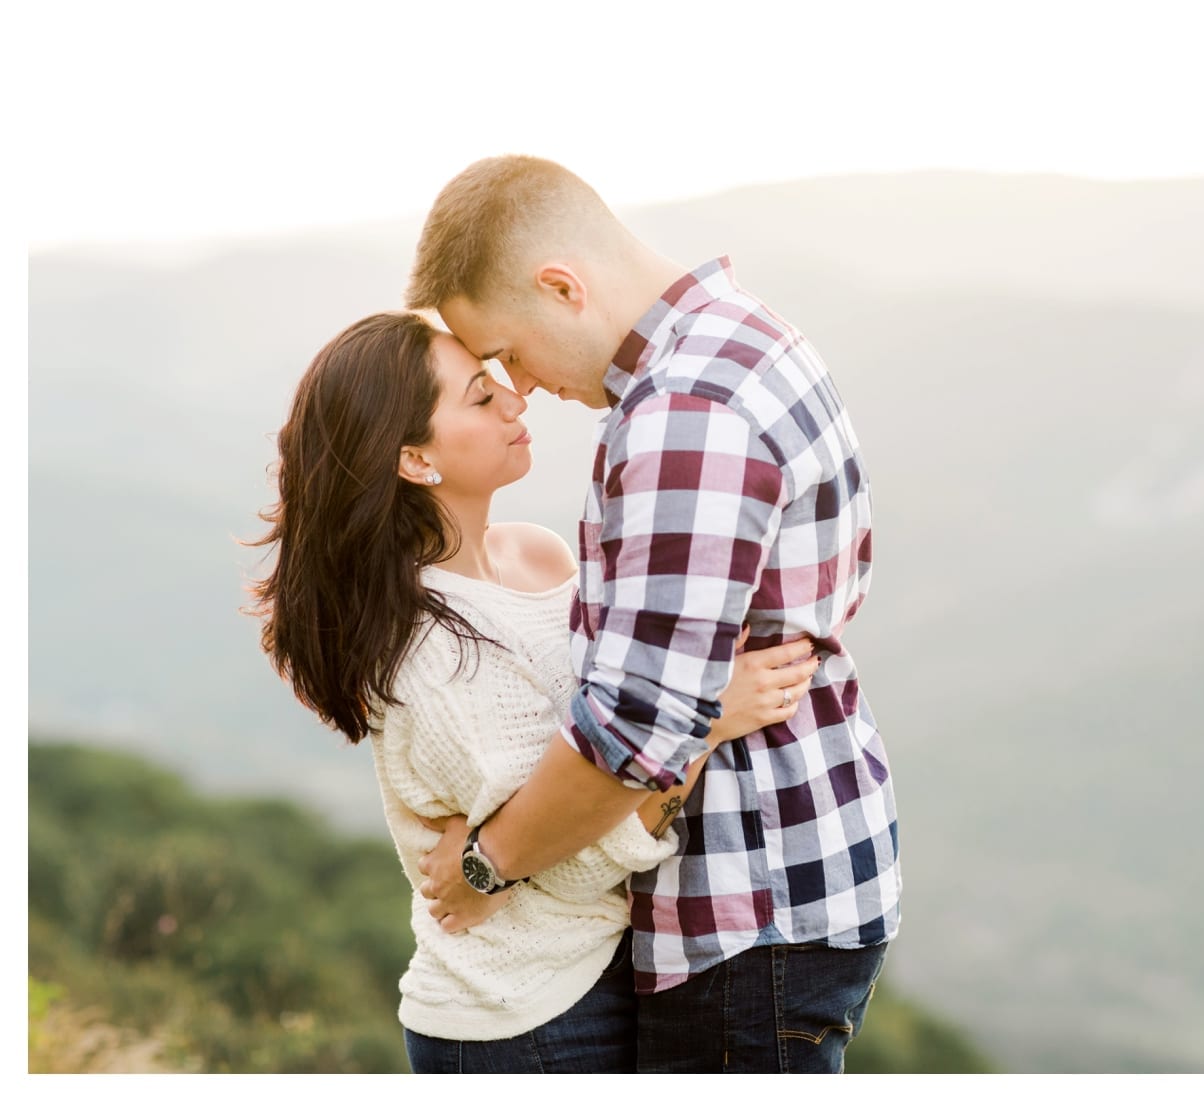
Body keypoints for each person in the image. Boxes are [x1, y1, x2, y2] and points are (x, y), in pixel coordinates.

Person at [406, 155, 902, 1074]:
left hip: (744, 902)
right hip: (794, 870)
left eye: (510, 351)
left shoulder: (686, 410)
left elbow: (640, 725)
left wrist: (486, 865)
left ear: (561, 287)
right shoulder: (743, 335)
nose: (522, 385)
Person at [249, 310, 817, 1072]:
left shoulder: (536, 555)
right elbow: (575, 856)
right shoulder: (430, 650)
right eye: (482, 400)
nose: (517, 402)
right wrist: (709, 720)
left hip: (596, 971)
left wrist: (492, 855)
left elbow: (604, 737)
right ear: (415, 460)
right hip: (521, 1019)